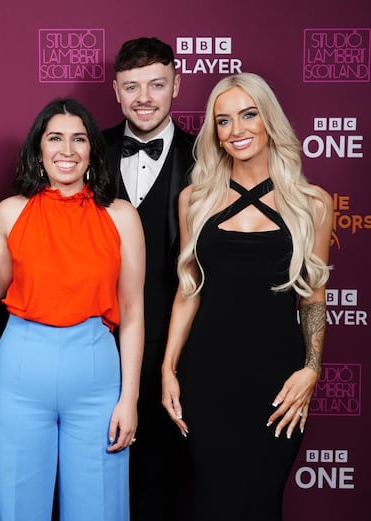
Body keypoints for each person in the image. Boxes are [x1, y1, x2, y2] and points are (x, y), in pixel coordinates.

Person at [161, 72, 331, 521]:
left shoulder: (312, 203)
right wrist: (168, 368)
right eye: (223, 121)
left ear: (268, 119)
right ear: (214, 133)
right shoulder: (194, 199)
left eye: (248, 115)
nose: (237, 130)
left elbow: (313, 298)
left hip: (277, 383)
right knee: (210, 502)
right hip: (207, 378)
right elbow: (187, 291)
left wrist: (312, 368)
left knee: (261, 502)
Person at [0, 98, 145, 521]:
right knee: (18, 508)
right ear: (38, 149)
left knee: (101, 508)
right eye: (55, 138)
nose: (67, 150)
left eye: (79, 139)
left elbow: (132, 312)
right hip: (20, 369)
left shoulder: (121, 217)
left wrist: (129, 397)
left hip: (95, 372)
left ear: (93, 149)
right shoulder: (9, 213)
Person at [102, 36, 195, 521]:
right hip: (95, 345)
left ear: (176, 85)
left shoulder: (209, 156)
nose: (143, 97)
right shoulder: (84, 151)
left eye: (156, 84)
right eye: (132, 86)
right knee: (98, 478)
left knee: (167, 483)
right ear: (116, 92)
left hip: (183, 352)